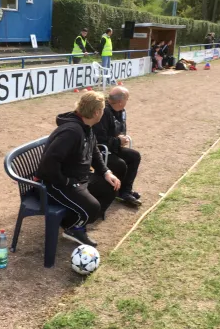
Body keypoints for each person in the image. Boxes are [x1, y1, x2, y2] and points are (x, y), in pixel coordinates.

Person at [36, 91, 121, 247]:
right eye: (102, 110)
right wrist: (67, 181)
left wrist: (106, 172)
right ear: (96, 112)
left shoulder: (87, 126)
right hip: (56, 184)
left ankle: (76, 221)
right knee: (93, 208)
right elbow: (48, 164)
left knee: (110, 187)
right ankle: (73, 227)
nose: (103, 112)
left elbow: (94, 150)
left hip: (79, 178)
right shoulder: (71, 132)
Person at [93, 86, 142, 207]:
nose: (127, 101)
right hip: (99, 150)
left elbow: (119, 129)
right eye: (127, 99)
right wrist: (117, 141)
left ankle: (125, 191)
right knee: (120, 164)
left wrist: (121, 138)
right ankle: (113, 191)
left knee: (134, 156)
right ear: (121, 101)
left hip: (112, 147)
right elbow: (99, 140)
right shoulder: (104, 112)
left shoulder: (120, 110)